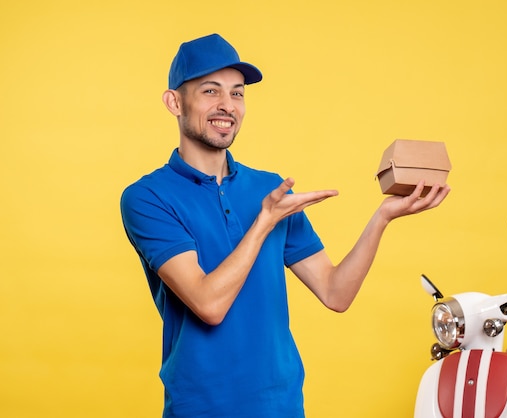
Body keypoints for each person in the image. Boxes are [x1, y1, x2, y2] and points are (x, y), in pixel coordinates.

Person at [120, 33, 450, 418]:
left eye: (238, 93)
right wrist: (264, 222)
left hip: (283, 405)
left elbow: (335, 292)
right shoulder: (148, 197)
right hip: (201, 408)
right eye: (210, 91)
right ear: (174, 101)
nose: (227, 106)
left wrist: (383, 218)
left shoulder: (267, 189)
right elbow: (208, 304)